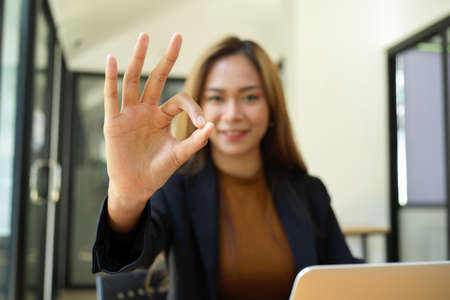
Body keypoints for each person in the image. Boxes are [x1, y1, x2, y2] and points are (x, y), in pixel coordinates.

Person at [92, 32, 360, 300]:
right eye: (217, 98)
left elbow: (345, 276)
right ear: (197, 106)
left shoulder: (308, 191)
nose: (232, 114)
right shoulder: (177, 187)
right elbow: (122, 262)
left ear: (272, 109)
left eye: (250, 97)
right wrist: (127, 197)